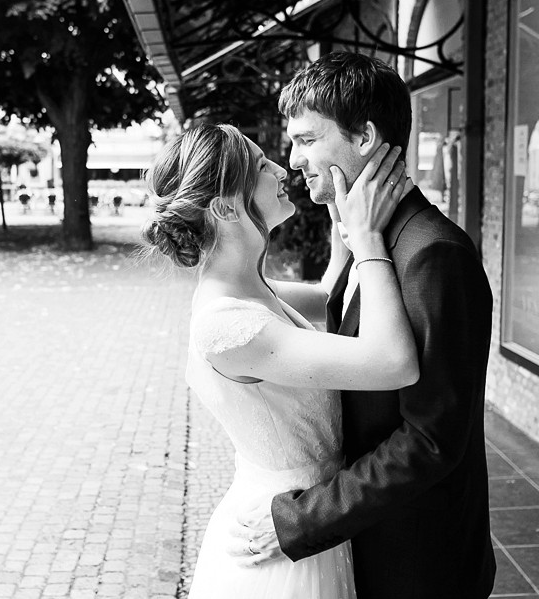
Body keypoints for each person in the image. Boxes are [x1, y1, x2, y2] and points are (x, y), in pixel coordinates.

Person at [228, 51, 496, 598]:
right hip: (370, 540)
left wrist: (305, 521)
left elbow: (430, 439)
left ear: (365, 137)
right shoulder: (363, 232)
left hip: (416, 560)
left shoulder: (430, 254)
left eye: (307, 140)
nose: (293, 159)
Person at [142, 123, 417, 598]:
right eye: (259, 166)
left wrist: (340, 212)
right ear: (226, 207)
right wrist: (370, 241)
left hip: (310, 513)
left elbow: (329, 297)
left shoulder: (249, 288)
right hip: (280, 534)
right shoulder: (226, 325)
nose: (282, 166)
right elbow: (392, 362)